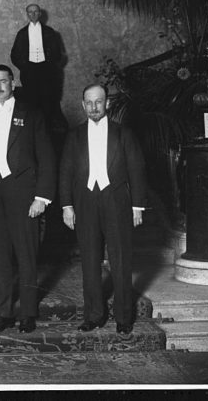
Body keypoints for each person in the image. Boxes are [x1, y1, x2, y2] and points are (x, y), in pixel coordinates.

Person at [0, 65, 57, 334]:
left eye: (3, 82)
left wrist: (42, 197)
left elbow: (47, 157)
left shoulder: (30, 114)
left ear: (12, 83)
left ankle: (28, 313)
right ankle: (4, 312)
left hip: (23, 194)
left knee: (26, 255)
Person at [59, 84, 146, 338]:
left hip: (116, 201)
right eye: (89, 102)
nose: (94, 107)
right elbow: (65, 173)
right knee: (89, 262)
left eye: (98, 102)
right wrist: (67, 206)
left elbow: (137, 170)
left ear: (107, 103)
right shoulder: (74, 136)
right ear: (83, 105)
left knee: (120, 261)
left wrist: (137, 206)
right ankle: (93, 315)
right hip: (85, 203)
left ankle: (123, 317)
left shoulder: (123, 134)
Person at [10, 4, 64, 121]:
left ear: (40, 14)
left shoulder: (50, 32)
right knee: (31, 103)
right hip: (29, 72)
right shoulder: (22, 33)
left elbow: (58, 54)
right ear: (27, 14)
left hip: (47, 71)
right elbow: (14, 55)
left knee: (48, 102)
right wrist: (24, 67)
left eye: (35, 12)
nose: (33, 14)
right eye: (30, 12)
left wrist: (51, 66)